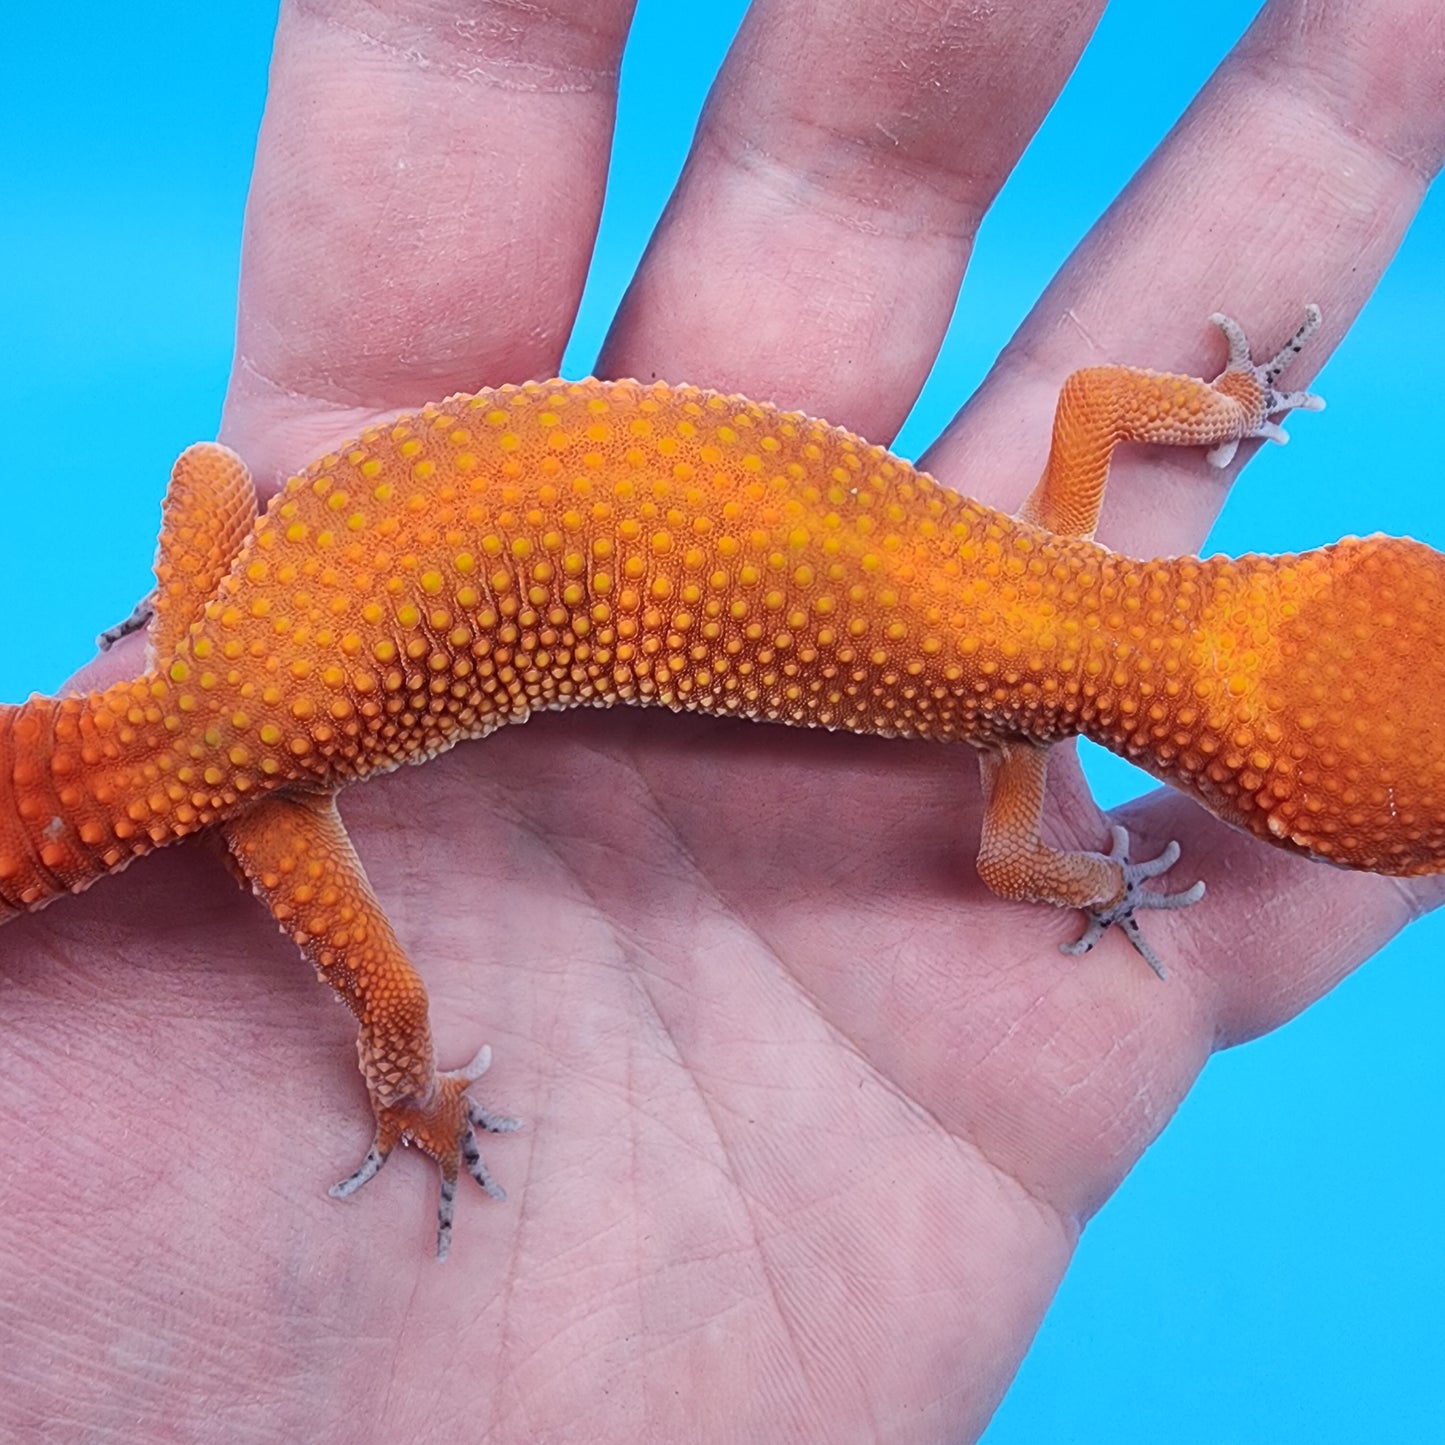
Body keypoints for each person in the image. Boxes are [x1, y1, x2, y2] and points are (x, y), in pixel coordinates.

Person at [4, 1, 1441, 1438]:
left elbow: (1095, 404)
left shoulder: (1059, 558)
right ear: (1254, 797)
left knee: (214, 477)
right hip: (271, 732)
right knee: (396, 1012)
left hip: (268, 605)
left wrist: (1217, 400)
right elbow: (1017, 864)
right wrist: (1095, 872)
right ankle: (404, 1111)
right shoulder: (1018, 740)